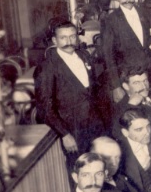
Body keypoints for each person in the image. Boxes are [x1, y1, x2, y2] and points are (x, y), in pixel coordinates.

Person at [37, 20, 107, 159]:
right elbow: (45, 107)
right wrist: (65, 134)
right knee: (80, 165)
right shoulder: (47, 67)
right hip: (72, 129)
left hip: (95, 124)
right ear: (55, 41)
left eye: (72, 36)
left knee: (101, 161)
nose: (69, 42)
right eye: (63, 38)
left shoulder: (84, 55)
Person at [102, 0, 151, 98]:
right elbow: (108, 55)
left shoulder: (146, 14)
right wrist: (116, 86)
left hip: (150, 74)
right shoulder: (110, 20)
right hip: (126, 78)